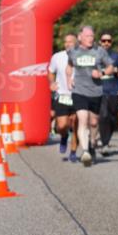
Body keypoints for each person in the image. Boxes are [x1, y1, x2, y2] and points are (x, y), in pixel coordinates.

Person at [67, 25, 115, 167]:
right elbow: (69, 66)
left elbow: (110, 67)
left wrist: (102, 73)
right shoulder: (73, 52)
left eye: (92, 36)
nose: (90, 39)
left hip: (96, 92)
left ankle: (92, 143)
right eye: (87, 36)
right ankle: (85, 151)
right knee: (83, 119)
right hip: (79, 91)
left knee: (94, 122)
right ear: (80, 37)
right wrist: (69, 78)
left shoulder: (99, 51)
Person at [48, 33, 79, 162]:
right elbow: (51, 71)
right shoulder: (57, 57)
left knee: (76, 124)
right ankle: (64, 136)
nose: (67, 44)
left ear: (76, 43)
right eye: (66, 42)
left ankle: (73, 151)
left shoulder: (82, 56)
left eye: (70, 42)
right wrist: (52, 83)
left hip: (78, 95)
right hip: (62, 94)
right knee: (62, 125)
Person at [96, 32, 118, 154]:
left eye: (109, 41)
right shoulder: (94, 54)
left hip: (113, 90)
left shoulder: (115, 55)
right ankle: (104, 143)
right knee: (103, 116)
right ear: (100, 42)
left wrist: (115, 69)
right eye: (104, 41)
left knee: (112, 117)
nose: (106, 43)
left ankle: (106, 140)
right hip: (99, 90)